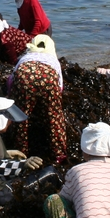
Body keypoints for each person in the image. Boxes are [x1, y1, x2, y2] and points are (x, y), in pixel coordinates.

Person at [9, 35, 67, 164]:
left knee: (20, 116)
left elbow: (11, 81)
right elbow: (60, 86)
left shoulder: (25, 58)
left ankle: (21, 152)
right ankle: (59, 154)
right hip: (49, 77)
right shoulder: (53, 59)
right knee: (54, 119)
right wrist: (50, 103)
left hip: (25, 75)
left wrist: (13, 96)